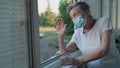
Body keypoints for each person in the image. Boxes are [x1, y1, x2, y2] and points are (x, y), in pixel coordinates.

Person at [56, 1, 120, 68]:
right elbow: (64, 53)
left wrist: (79, 61)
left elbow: (104, 50)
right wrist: (60, 36)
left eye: (75, 15)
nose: (74, 19)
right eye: (72, 17)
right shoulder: (78, 33)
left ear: (87, 12)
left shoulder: (103, 22)